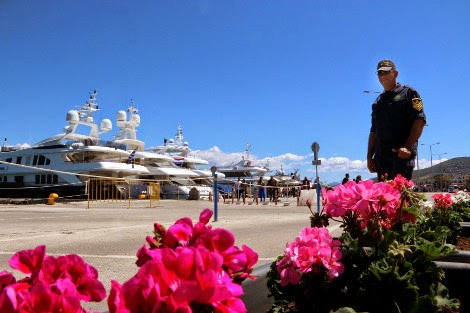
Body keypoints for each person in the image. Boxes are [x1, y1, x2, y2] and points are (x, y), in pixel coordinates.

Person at [367, 59, 426, 181]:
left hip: (401, 155)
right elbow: (373, 131)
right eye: (380, 73)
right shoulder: (378, 102)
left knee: (400, 195)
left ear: (395, 73)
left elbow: (419, 120)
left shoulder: (409, 93)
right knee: (384, 198)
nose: (382, 76)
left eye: (386, 72)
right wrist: (369, 157)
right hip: (381, 157)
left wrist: (408, 147)